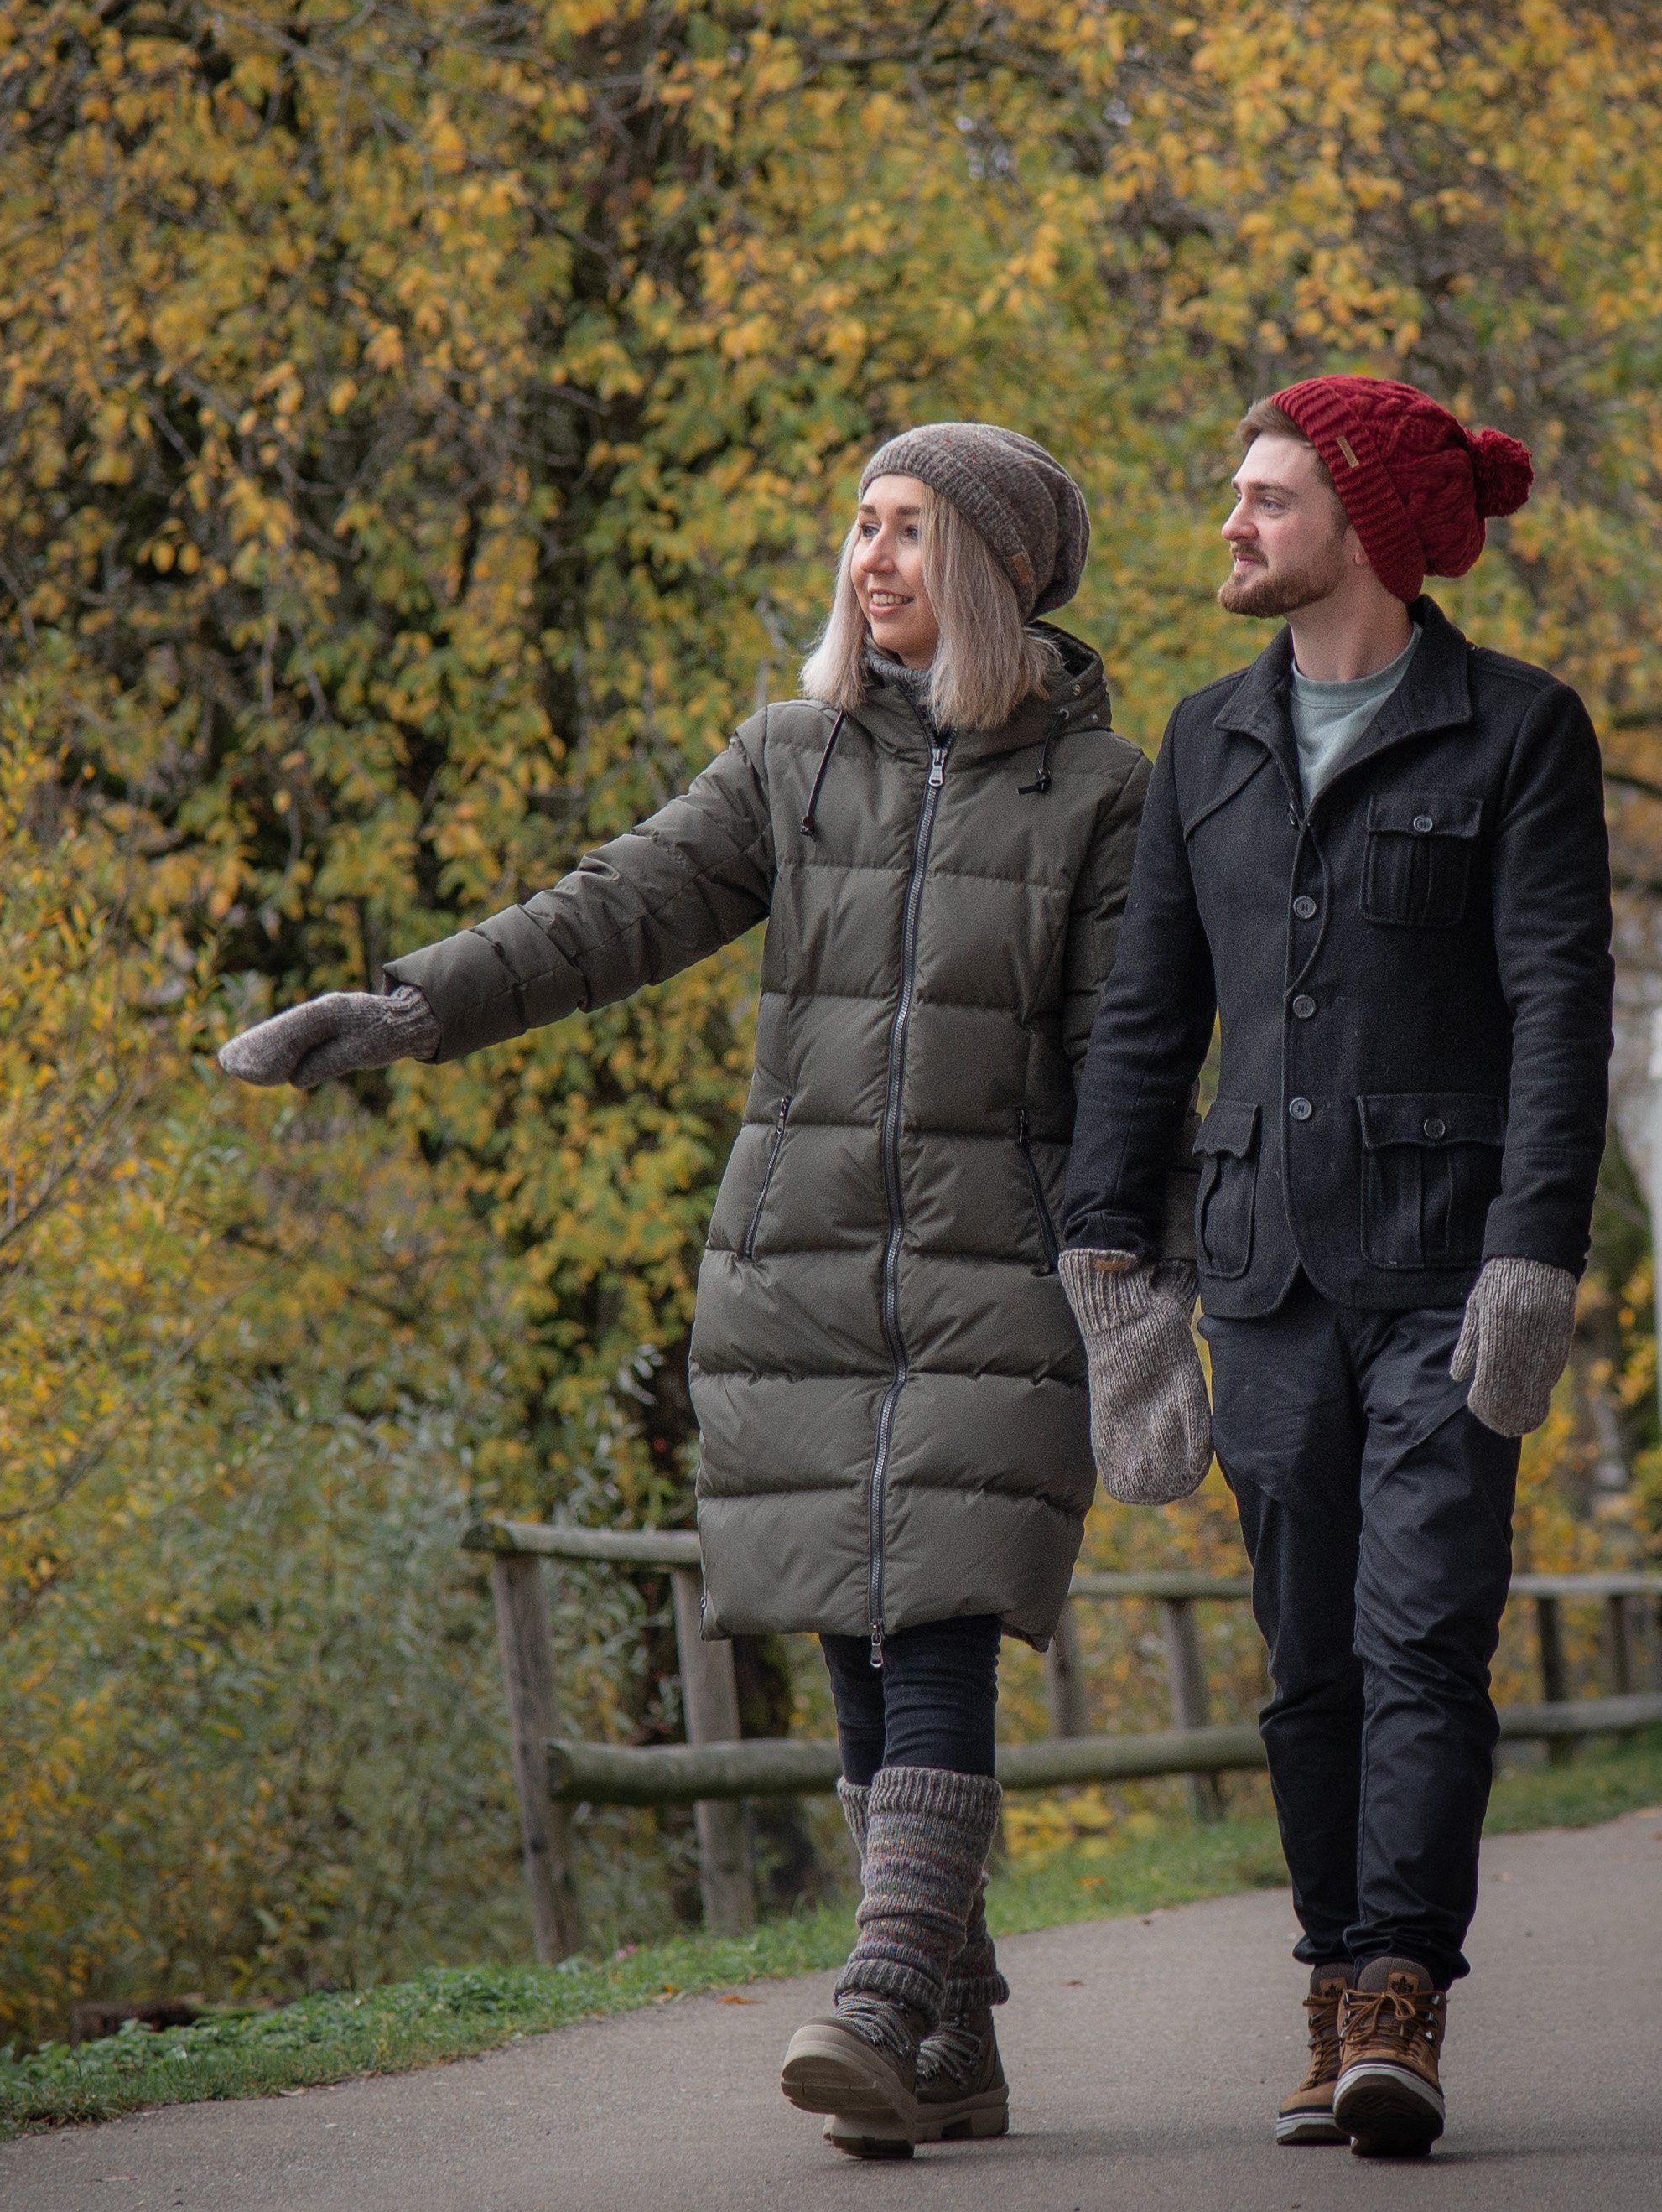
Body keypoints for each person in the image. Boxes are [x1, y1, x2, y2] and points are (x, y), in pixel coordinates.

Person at [221, 425, 1150, 2157]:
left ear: (995, 570)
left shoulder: (1104, 798)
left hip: (993, 1268)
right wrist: (407, 1008)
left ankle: (878, 1987)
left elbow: (1123, 1061)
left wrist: (1127, 1276)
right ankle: (950, 2035)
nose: (870, 559)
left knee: (937, 1615)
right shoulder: (788, 760)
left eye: (909, 530)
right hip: (795, 1257)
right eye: (860, 525)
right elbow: (612, 910)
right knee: (856, 1640)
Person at [1055, 378, 1613, 2161]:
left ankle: (1396, 1988)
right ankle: (1324, 1979)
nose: (1227, 522)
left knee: (1420, 1630)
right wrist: (1108, 1253)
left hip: (1450, 1269)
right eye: (1234, 492)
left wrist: (1534, 1252)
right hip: (1264, 1272)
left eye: (1263, 495)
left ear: (1359, 520)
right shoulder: (1202, 734)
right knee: (1304, 1653)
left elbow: (1556, 1010)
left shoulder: (1515, 731)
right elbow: (1146, 1021)